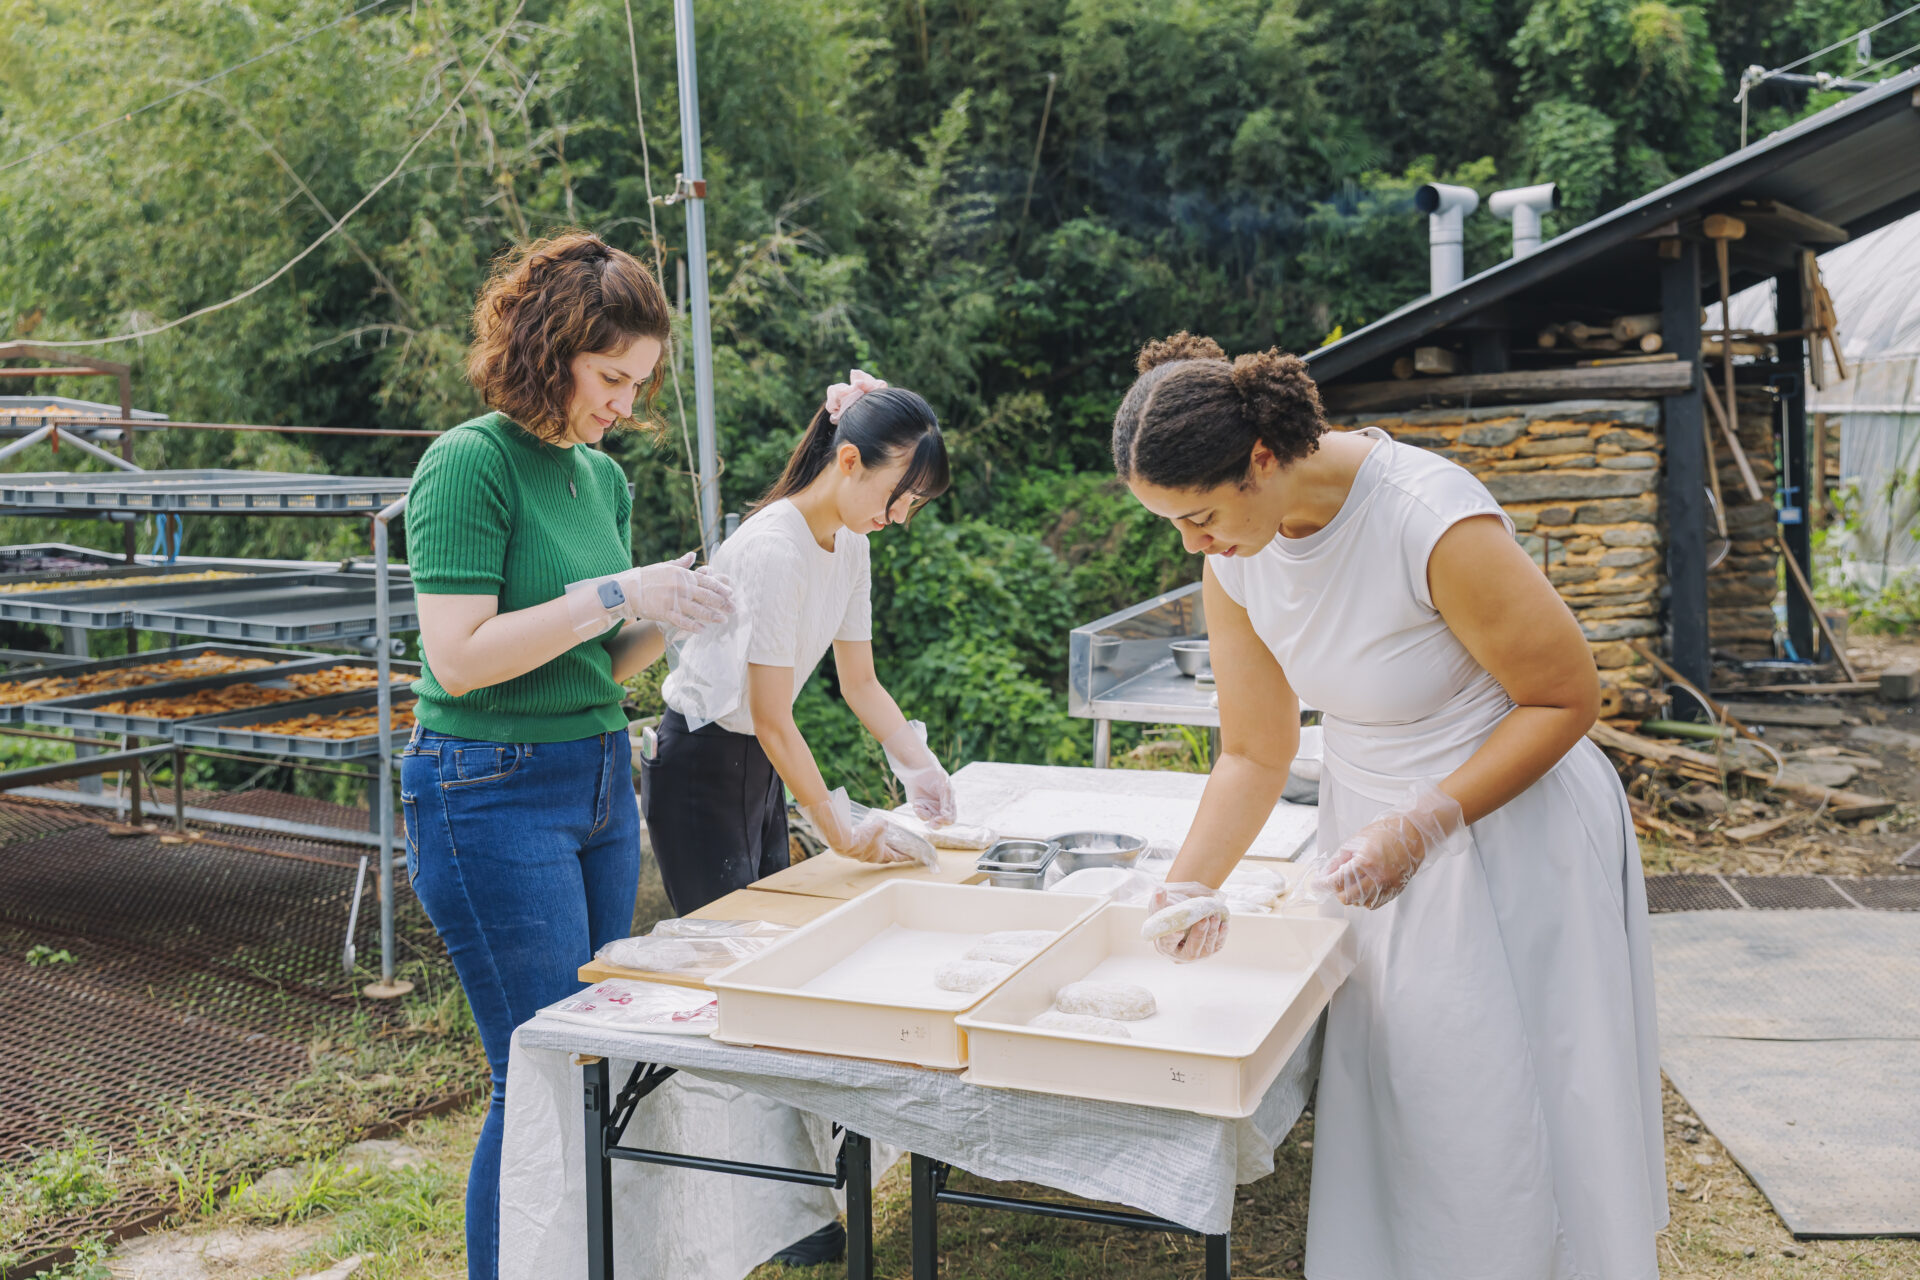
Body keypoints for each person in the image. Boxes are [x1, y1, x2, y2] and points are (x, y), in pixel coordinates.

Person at [1114, 333, 1666, 1280]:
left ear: (1261, 459)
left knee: (1509, 1090)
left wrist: (1424, 824)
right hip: (1368, 832)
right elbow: (1254, 749)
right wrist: (1185, 888)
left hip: (1508, 823)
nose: (1192, 543)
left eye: (1198, 516)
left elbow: (1565, 698)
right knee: (1412, 1085)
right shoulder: (1236, 557)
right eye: (1173, 523)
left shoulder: (1428, 517)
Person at [401, 230, 733, 1280]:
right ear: (550, 352)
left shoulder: (601, 479)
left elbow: (600, 657)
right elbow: (460, 659)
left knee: (592, 1060)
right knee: (538, 1071)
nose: (627, 403)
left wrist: (671, 610)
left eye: (640, 383)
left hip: (596, 778)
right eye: (611, 378)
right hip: (488, 790)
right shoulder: (469, 462)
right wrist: (616, 590)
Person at [646, 369, 956, 917]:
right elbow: (771, 718)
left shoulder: (852, 544)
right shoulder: (775, 549)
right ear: (850, 460)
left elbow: (861, 683)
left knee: (772, 929)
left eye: (914, 503)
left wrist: (920, 767)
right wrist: (838, 832)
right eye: (897, 497)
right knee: (729, 944)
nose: (899, 517)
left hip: (761, 760)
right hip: (701, 761)